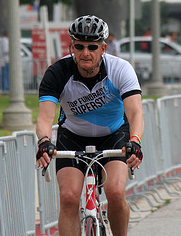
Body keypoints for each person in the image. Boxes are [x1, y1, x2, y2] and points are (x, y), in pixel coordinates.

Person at [36, 15, 144, 236]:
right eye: (80, 46)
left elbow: (135, 112)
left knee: (114, 192)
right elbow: (45, 117)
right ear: (71, 47)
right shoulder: (57, 72)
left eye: (92, 47)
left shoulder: (120, 69)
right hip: (73, 135)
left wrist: (135, 140)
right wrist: (44, 141)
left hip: (113, 134)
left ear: (103, 48)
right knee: (68, 198)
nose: (86, 52)